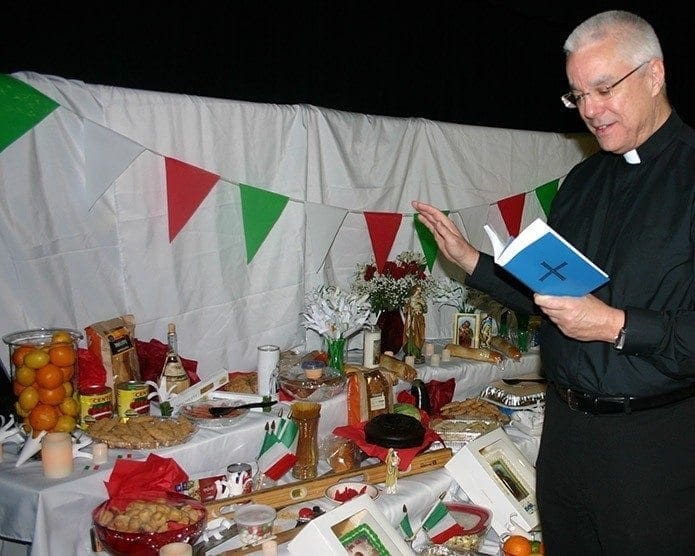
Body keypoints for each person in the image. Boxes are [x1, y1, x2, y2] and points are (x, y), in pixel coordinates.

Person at [413, 10, 695, 555]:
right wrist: (473, 262)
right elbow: (552, 298)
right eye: (577, 95)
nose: (590, 110)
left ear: (654, 75)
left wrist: (615, 326)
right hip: (564, 439)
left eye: (604, 89)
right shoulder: (582, 180)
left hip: (656, 450)